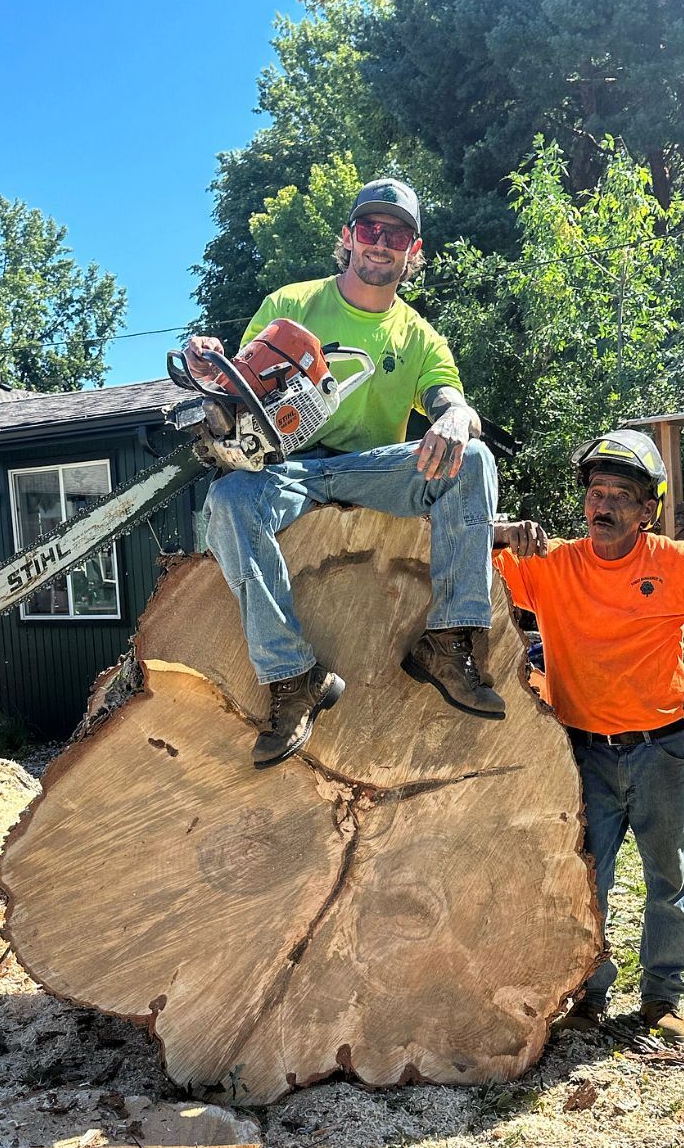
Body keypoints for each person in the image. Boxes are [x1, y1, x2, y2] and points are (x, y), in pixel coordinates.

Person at [185, 178, 504, 768]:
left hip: (371, 471)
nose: (381, 243)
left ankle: (449, 637)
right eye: (370, 230)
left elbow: (450, 400)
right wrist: (210, 370)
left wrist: (456, 415)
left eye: (396, 234)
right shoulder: (291, 305)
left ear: (415, 250)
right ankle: (292, 675)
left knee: (475, 459)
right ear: (348, 237)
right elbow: (239, 388)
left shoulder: (421, 338)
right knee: (229, 498)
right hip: (289, 467)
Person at [493, 430, 684, 1040]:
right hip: (580, 751)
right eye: (595, 492)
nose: (604, 505)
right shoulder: (554, 565)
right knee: (587, 877)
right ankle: (587, 992)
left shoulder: (677, 564)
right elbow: (477, 563)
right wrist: (501, 531)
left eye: (621, 494)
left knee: (668, 878)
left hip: (659, 748)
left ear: (648, 511)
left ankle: (661, 996)